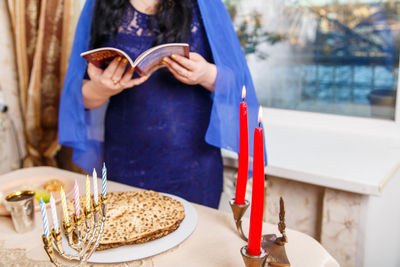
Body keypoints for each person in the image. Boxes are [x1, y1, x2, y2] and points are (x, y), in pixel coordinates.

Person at [58, 0, 265, 209]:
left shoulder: (205, 3)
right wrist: (102, 88)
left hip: (194, 164)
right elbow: (79, 99)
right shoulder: (98, 4)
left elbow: (239, 85)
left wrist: (206, 74)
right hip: (124, 161)